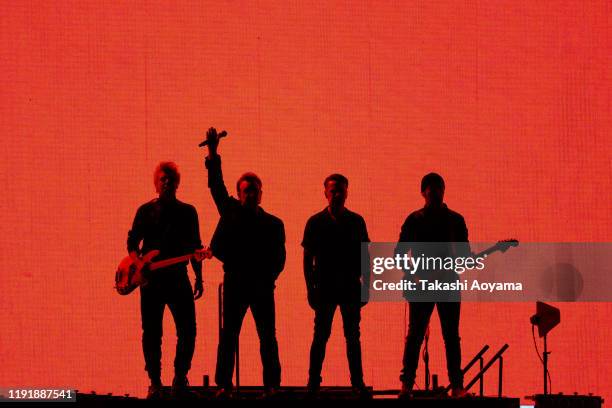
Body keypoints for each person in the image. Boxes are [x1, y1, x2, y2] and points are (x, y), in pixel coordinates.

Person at [203, 127, 286, 399]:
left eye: (254, 190)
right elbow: (216, 186)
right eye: (246, 190)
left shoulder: (274, 224)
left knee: (267, 337)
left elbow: (279, 258)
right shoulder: (231, 212)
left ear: (261, 194)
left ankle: (272, 386)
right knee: (229, 336)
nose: (250, 194)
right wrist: (213, 153)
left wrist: (267, 277)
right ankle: (224, 385)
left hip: (261, 286)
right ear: (239, 194)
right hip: (237, 283)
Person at [126, 161, 204, 399]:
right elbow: (132, 242)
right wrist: (138, 264)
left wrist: (199, 277)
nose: (167, 183)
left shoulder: (188, 212)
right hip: (151, 282)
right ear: (156, 184)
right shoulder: (145, 211)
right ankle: (155, 383)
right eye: (163, 179)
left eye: (171, 179)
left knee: (188, 330)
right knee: (151, 332)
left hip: (179, 277)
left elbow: (195, 247)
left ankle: (180, 379)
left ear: (177, 183)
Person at [395, 172, 469, 398]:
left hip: (447, 284)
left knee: (450, 336)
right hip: (422, 285)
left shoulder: (456, 220)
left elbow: (465, 256)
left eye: (439, 188)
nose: (436, 192)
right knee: (416, 335)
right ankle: (407, 385)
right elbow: (399, 253)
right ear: (423, 192)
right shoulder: (414, 220)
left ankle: (457, 386)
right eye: (431, 188)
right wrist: (413, 276)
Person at [302, 173, 371, 398]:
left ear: (347, 192)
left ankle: (356, 382)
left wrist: (366, 286)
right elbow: (307, 258)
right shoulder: (315, 222)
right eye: (333, 191)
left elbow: (365, 256)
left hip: (348, 285)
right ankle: (314, 382)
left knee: (350, 336)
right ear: (325, 193)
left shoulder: (355, 221)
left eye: (340, 190)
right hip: (325, 287)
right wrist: (310, 288)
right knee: (323, 336)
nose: (337, 195)